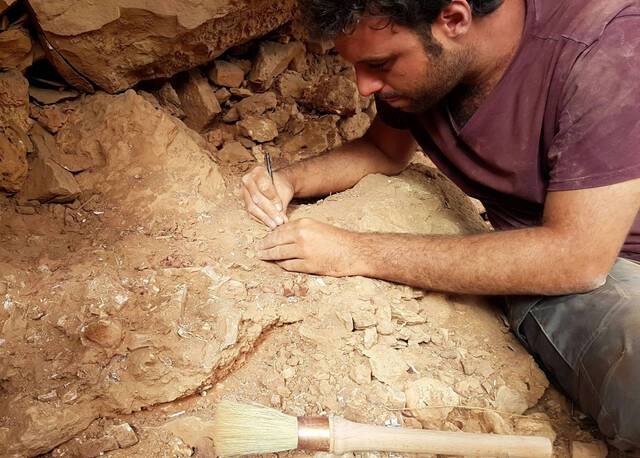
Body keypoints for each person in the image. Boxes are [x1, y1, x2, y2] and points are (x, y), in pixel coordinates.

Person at [241, 0, 640, 451]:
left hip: (591, 255)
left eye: (379, 64)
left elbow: (577, 257)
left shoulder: (606, 48)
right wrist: (292, 177)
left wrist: (359, 251)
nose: (364, 86)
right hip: (586, 281)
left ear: (454, 19)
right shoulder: (427, 75)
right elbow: (384, 150)